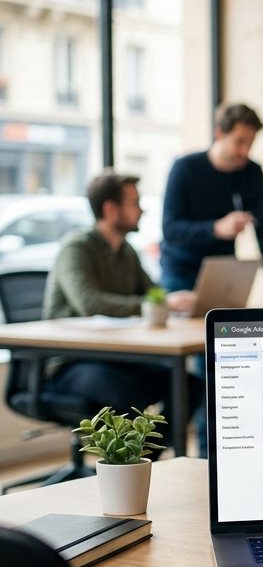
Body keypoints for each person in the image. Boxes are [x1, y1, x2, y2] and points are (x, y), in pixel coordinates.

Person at [42, 173, 201, 451]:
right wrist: (155, 304)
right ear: (110, 209)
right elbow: (90, 303)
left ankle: (145, 461)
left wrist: (175, 302)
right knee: (128, 394)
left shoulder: (126, 252)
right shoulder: (76, 248)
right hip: (70, 362)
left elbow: (153, 294)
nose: (141, 210)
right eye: (134, 203)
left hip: (116, 357)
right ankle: (130, 466)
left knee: (189, 385)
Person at [160, 102, 263, 293]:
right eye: (239, 142)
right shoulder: (185, 168)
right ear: (219, 134)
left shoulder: (252, 173)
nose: (245, 151)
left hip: (223, 272)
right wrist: (216, 228)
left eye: (250, 143)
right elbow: (170, 228)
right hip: (181, 274)